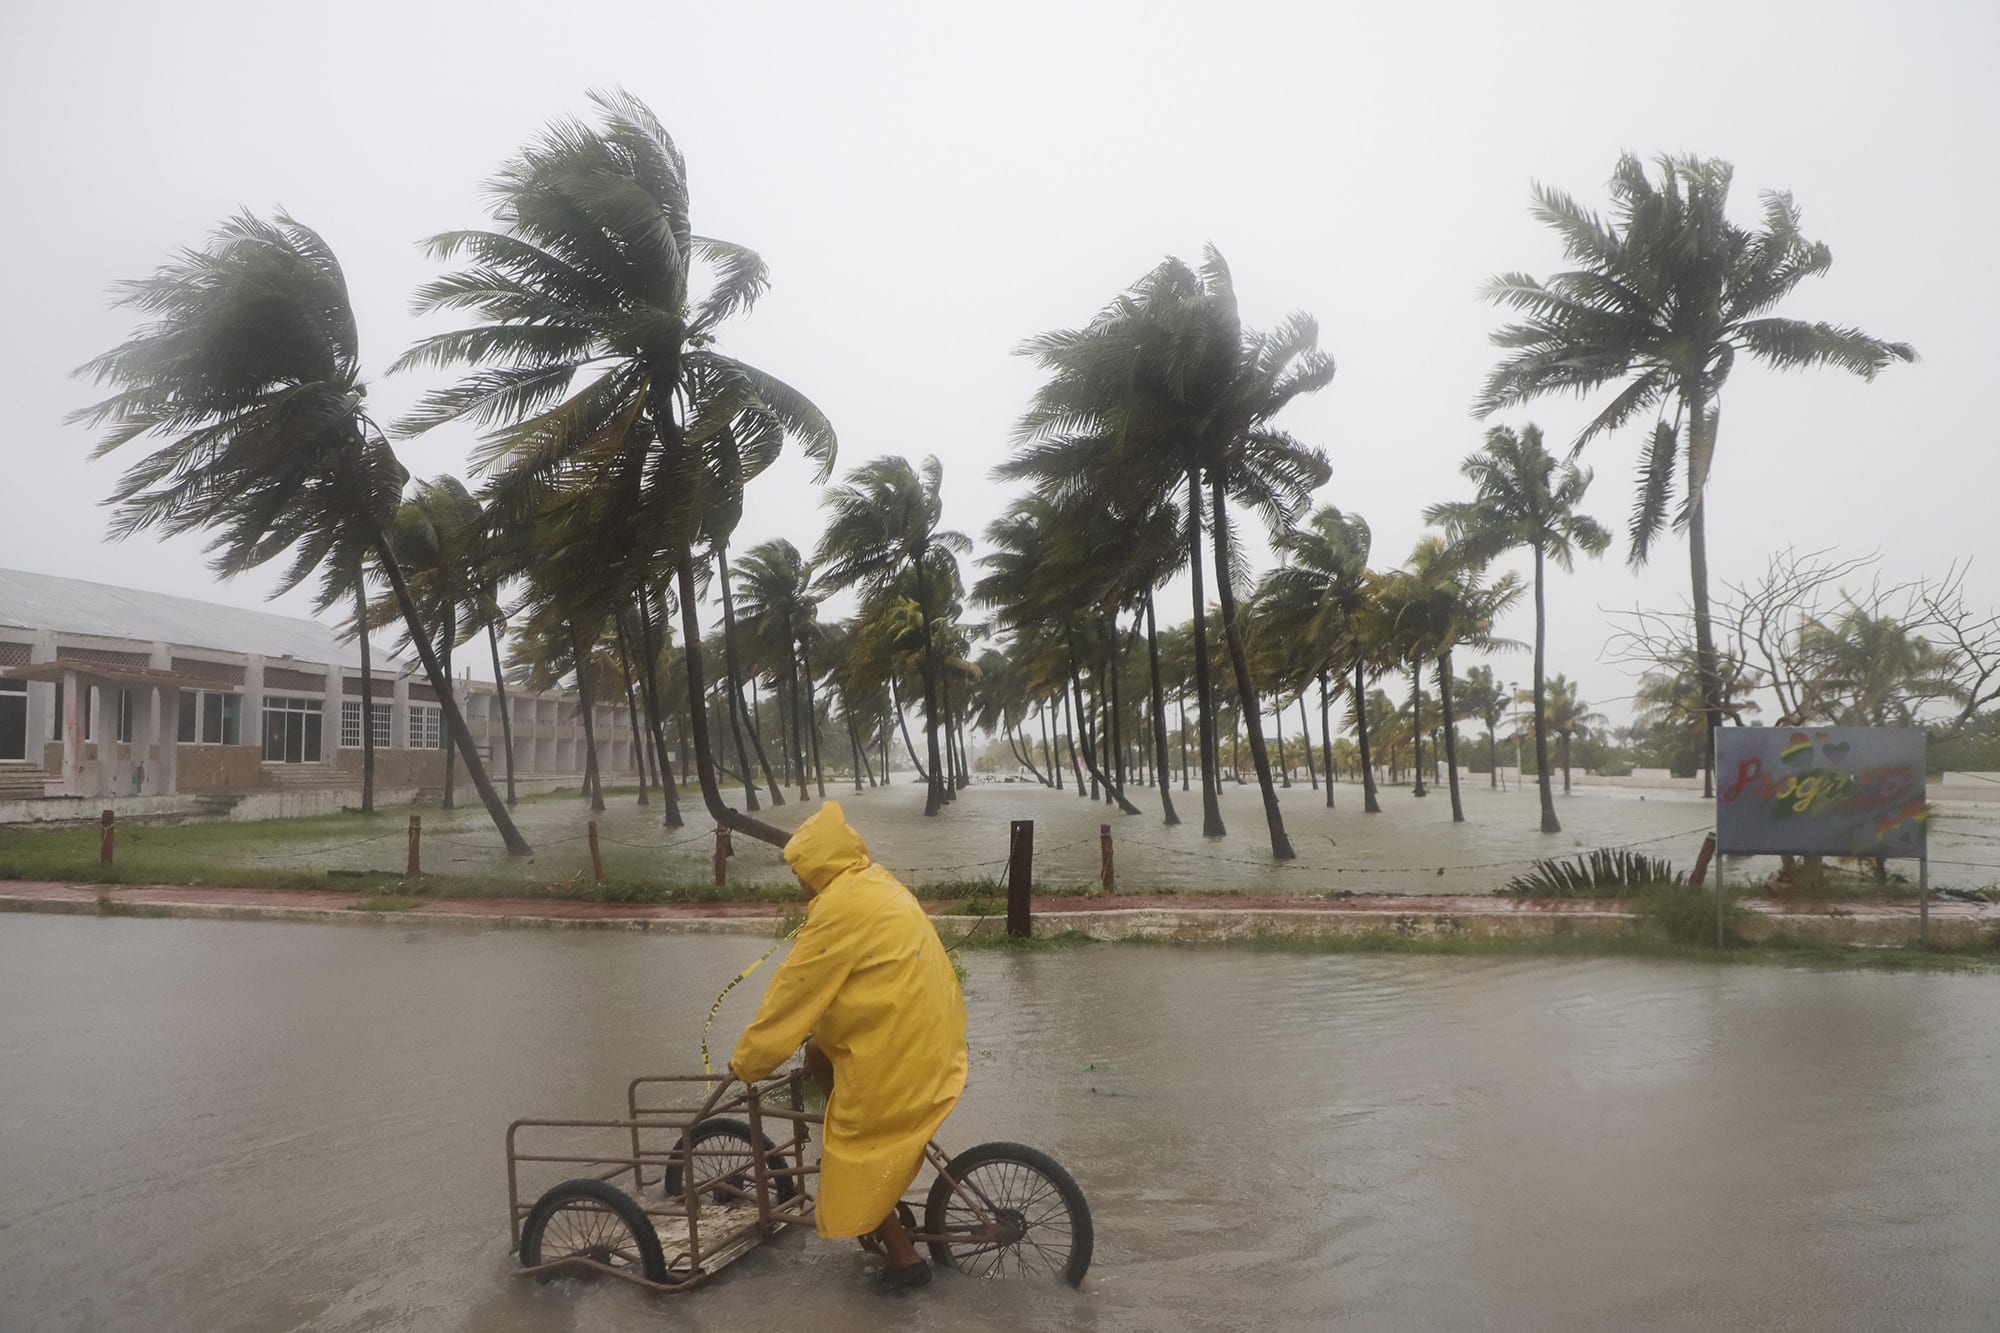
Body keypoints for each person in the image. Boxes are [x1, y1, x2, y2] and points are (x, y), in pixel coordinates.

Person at [730, 801, 968, 1290]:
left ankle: (904, 1262)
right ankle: (880, 1181)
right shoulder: (875, 882)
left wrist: (748, 1063)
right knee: (817, 1052)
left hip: (900, 1049)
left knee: (850, 1151)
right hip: (933, 1034)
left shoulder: (839, 909)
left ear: (817, 866)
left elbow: (792, 994)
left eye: (800, 870)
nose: (798, 881)